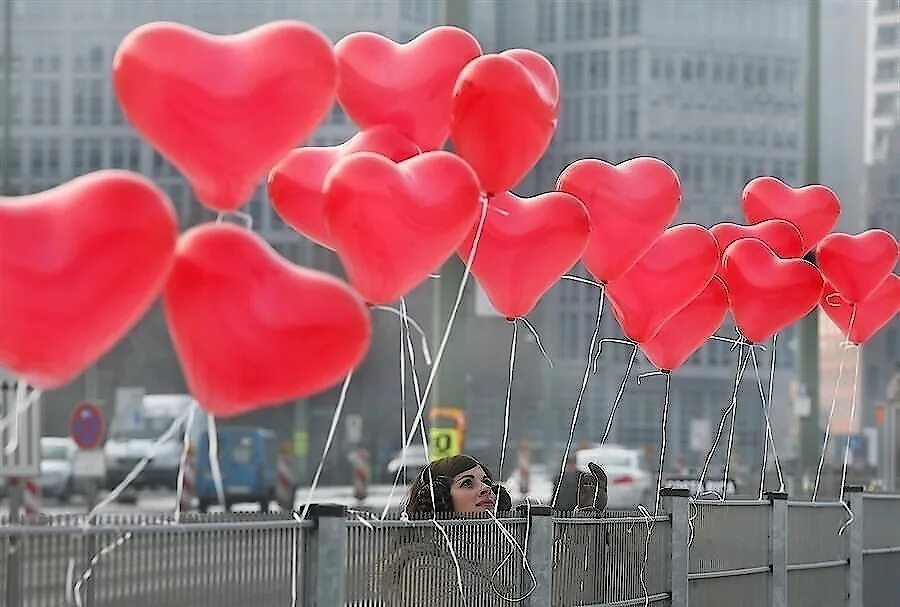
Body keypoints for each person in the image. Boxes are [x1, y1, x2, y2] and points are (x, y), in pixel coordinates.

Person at [403, 454, 509, 515]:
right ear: (438, 497)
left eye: (487, 482)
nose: (486, 488)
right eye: (467, 483)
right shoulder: (419, 553)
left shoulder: (513, 545)